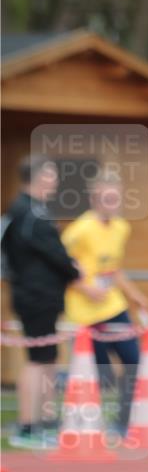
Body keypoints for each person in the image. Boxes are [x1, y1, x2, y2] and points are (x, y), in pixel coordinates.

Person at [61, 169, 148, 437]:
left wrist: (134, 293)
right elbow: (58, 266)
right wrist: (84, 287)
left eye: (116, 198)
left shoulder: (122, 228)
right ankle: (84, 418)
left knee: (134, 361)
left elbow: (114, 268)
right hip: (85, 311)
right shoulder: (80, 230)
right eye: (106, 198)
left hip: (113, 305)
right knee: (101, 375)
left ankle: (122, 423)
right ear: (94, 199)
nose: (111, 204)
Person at [3, 155, 80, 448]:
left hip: (42, 296)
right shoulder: (29, 212)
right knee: (37, 360)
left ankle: (46, 423)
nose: (55, 181)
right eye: (51, 176)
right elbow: (54, 253)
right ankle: (27, 427)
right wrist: (74, 270)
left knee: (48, 359)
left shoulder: (30, 210)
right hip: (35, 296)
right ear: (36, 178)